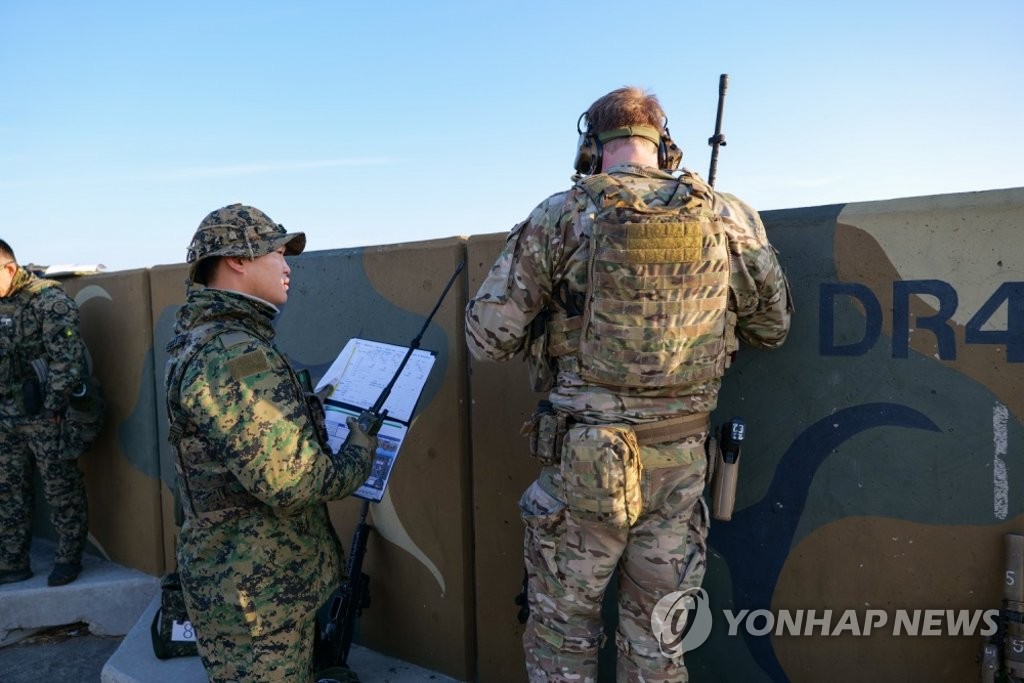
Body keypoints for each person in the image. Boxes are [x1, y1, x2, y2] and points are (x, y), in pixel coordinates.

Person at [465, 86, 792, 681]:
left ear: (592, 148)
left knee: (563, 636)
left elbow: (487, 340)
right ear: (665, 148)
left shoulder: (561, 214)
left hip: (581, 464)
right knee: (658, 643)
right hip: (683, 465)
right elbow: (773, 327)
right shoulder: (726, 214)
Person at [164, 204, 375, 682]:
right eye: (277, 253)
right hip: (256, 593)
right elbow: (293, 481)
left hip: (253, 580)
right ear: (237, 259)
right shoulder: (233, 352)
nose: (287, 267)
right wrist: (360, 451)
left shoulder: (213, 337)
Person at [0, 240, 91, 587]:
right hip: (6, 413)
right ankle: (12, 561)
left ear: (9, 268)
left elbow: (67, 359)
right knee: (8, 488)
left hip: (44, 412)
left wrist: (54, 406)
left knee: (60, 486)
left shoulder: (48, 301)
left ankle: (69, 557)